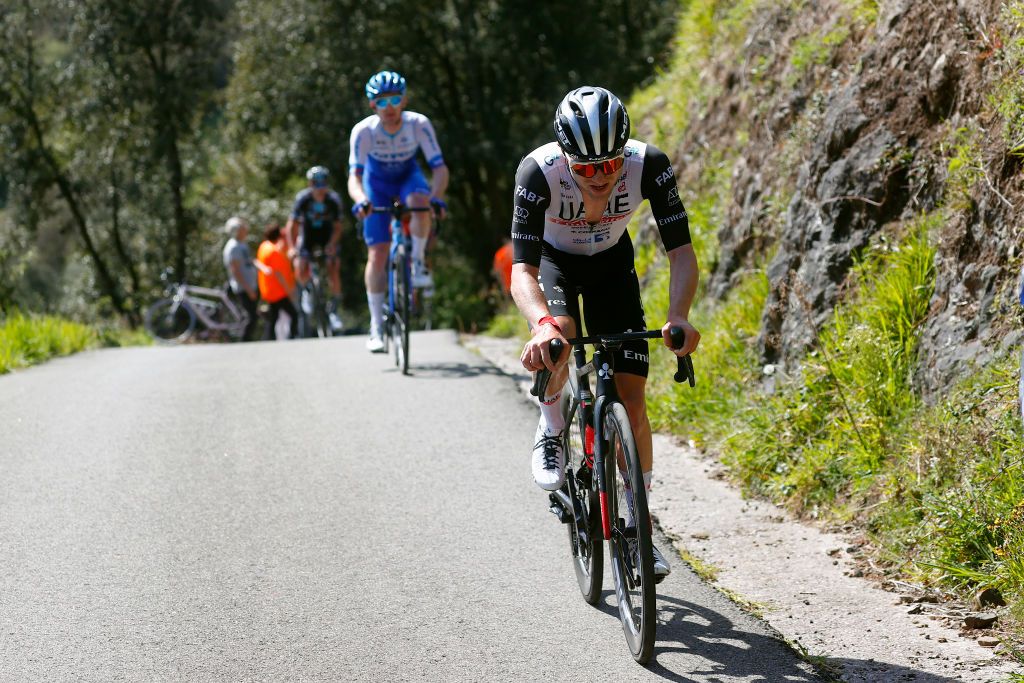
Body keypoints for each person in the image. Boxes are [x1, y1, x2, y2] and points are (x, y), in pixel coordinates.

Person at [509, 86, 701, 580]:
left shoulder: (649, 165)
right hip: (555, 265)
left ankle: (640, 525)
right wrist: (542, 325)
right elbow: (522, 271)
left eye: (610, 164)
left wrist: (678, 315)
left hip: (613, 265)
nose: (602, 177)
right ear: (567, 156)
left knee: (633, 399)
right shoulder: (539, 172)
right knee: (562, 335)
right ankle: (552, 427)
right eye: (587, 168)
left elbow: (680, 252)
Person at [347, 70, 449, 352]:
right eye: (381, 102)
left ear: (404, 100)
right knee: (377, 253)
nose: (389, 108)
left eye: (394, 100)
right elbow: (354, 176)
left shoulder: (418, 124)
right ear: (372, 105)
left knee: (421, 198)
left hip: (408, 177)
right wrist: (360, 200)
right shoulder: (364, 131)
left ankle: (416, 260)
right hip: (375, 182)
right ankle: (376, 326)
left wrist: (437, 197)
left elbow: (439, 168)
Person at [285, 165, 345, 333]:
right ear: (310, 184)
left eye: (322, 183)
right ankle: (307, 290)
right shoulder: (303, 199)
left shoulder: (333, 200)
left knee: (333, 265)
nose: (319, 188)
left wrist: (332, 244)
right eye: (315, 183)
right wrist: (291, 248)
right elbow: (292, 226)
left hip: (327, 235)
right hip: (308, 235)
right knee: (300, 262)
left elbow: (338, 227)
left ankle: (334, 308)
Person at [256, 223, 298, 340]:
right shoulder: (274, 251)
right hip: (278, 291)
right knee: (294, 314)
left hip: (268, 290)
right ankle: (292, 337)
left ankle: (268, 338)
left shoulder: (264, 246)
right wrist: (289, 292)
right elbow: (279, 274)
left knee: (273, 317)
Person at [222, 216, 260, 341]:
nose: (246, 229)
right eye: (243, 228)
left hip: (251, 285)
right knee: (251, 317)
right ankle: (243, 343)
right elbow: (235, 271)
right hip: (243, 287)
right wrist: (248, 288)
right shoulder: (233, 247)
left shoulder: (242, 244)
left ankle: (246, 341)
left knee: (252, 316)